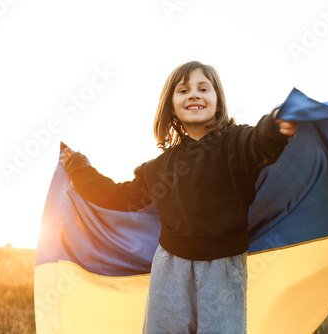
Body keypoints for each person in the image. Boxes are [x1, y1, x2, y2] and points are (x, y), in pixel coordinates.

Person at [60, 60, 297, 333]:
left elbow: (261, 141)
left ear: (218, 102)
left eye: (203, 89)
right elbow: (118, 196)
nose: (194, 94)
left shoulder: (237, 144)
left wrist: (278, 122)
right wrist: (78, 167)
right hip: (170, 269)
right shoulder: (160, 167)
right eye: (183, 90)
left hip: (223, 271)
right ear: (171, 106)